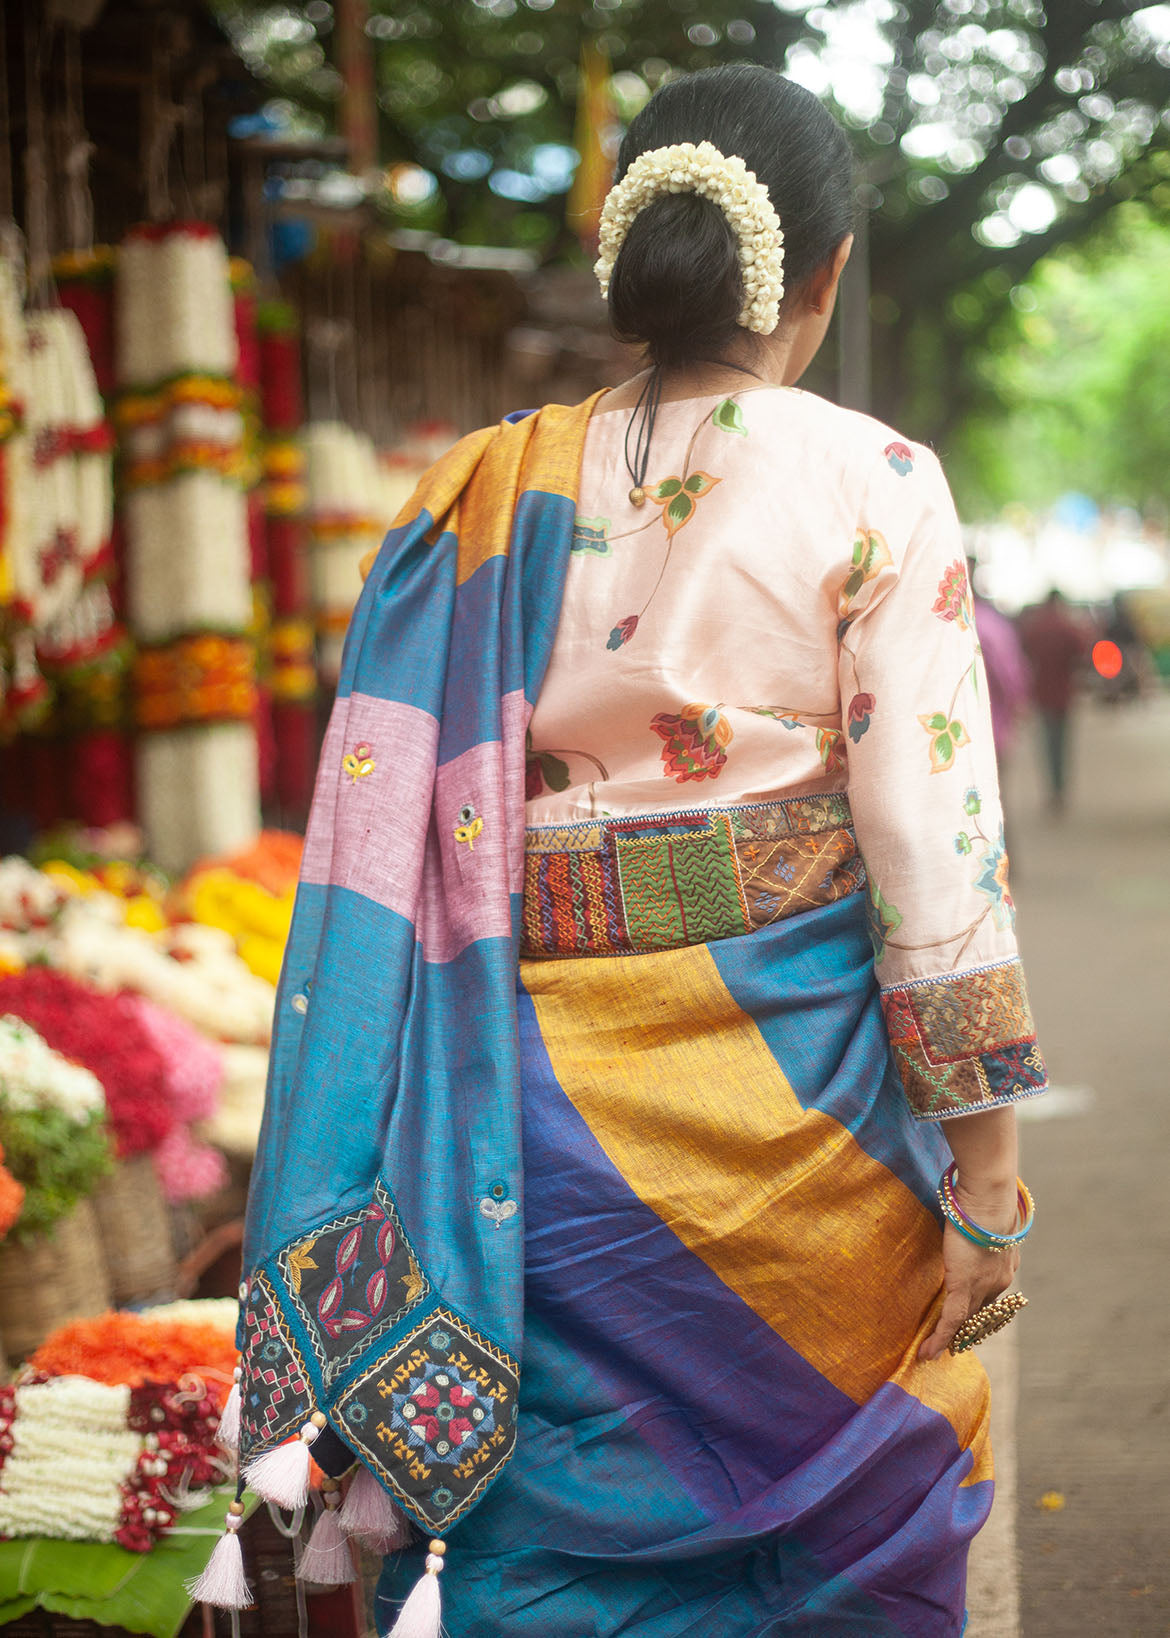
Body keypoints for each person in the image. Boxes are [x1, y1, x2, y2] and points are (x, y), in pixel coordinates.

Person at [230, 67, 1047, 1638]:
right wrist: (984, 1168)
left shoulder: (473, 489)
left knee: (551, 1532)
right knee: (849, 1519)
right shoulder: (872, 483)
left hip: (532, 1126)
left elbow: (385, 826)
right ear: (820, 276)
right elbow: (924, 836)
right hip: (816, 1119)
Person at [1018, 587, 1089, 813]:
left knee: (1048, 743)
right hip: (1064, 693)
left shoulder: (1035, 626)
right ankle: (1060, 789)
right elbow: (1082, 651)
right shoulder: (1067, 625)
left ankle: (1052, 790)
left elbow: (1023, 653)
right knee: (1062, 742)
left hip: (1042, 694)